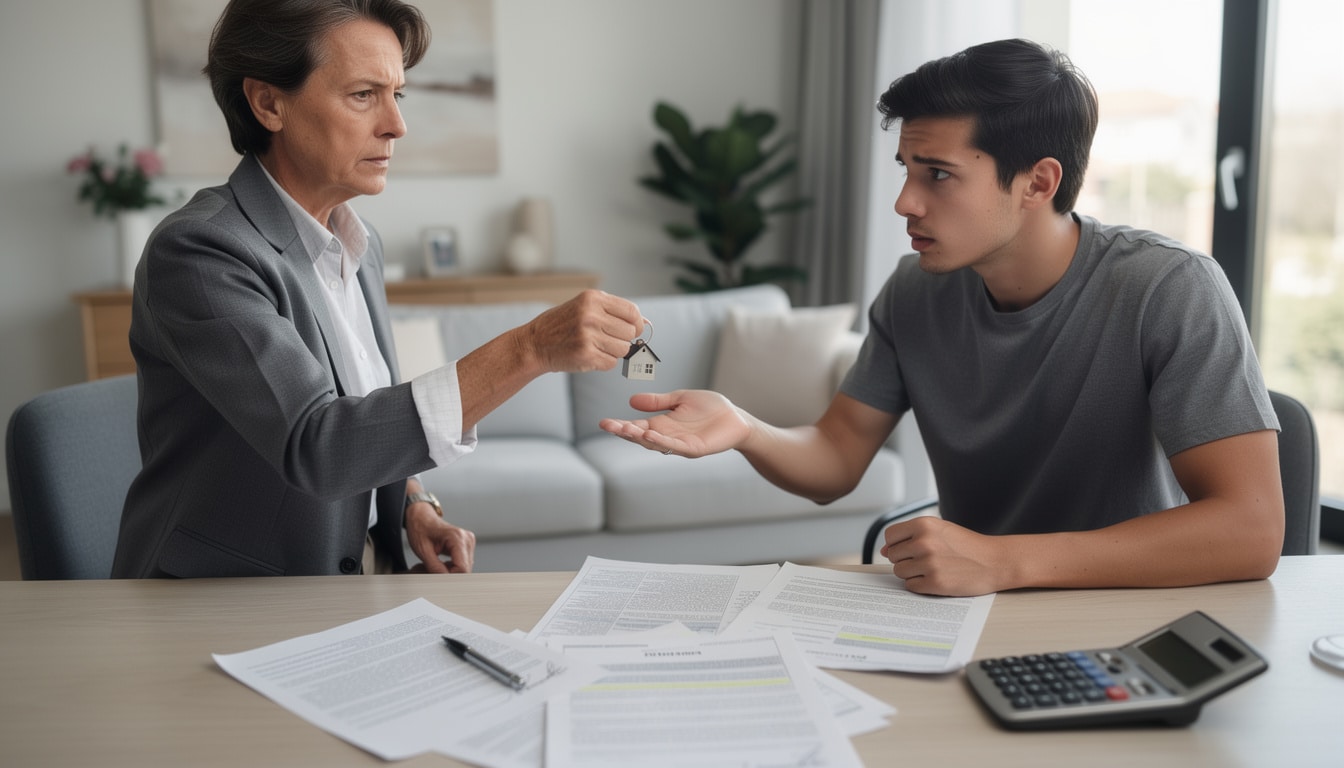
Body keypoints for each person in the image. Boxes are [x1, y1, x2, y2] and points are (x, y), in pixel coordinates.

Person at [600, 38, 1284, 597]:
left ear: (1038, 183)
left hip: (1130, 614)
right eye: (905, 169)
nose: (904, 202)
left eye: (938, 174)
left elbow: (1250, 531)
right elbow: (837, 458)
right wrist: (745, 429)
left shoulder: (1168, 288)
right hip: (968, 608)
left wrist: (1004, 561)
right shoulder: (915, 292)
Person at [111, 0, 644, 578]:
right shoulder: (200, 252)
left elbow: (364, 412)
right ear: (269, 102)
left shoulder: (361, 248)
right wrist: (531, 347)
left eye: (398, 95)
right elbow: (319, 444)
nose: (396, 124)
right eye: (364, 95)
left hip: (352, 583)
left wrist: (413, 503)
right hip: (226, 599)